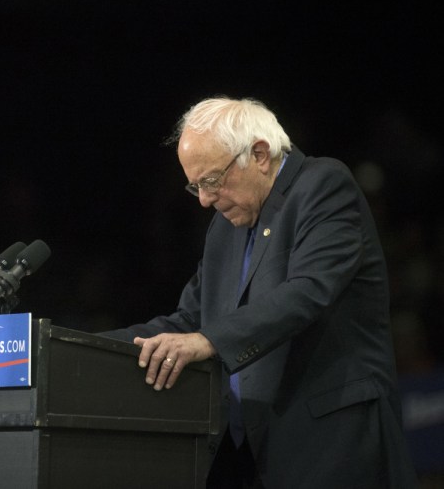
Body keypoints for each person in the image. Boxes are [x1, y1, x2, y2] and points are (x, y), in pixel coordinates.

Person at [100, 97, 418, 488]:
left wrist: (208, 340)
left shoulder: (323, 185)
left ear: (260, 154)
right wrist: (79, 347)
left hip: (330, 443)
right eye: (195, 186)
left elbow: (306, 291)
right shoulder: (225, 226)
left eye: (212, 181)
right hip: (247, 454)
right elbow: (188, 321)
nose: (203, 200)